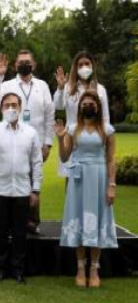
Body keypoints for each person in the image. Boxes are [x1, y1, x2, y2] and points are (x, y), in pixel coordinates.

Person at [56, 90, 117, 288]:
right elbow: (65, 157)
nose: (87, 106)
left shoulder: (107, 130)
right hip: (78, 179)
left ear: (98, 107)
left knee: (97, 218)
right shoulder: (72, 129)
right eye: (84, 104)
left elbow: (111, 159)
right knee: (79, 218)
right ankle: (80, 268)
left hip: (99, 177)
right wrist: (59, 138)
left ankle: (94, 269)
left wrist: (112, 185)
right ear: (79, 108)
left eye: (91, 103)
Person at [0, 92, 43, 284]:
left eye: (14, 105)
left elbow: (37, 162)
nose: (11, 109)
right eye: (7, 105)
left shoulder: (31, 132)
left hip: (22, 190)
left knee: (19, 233)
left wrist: (36, 189)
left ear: (20, 106)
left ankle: (18, 270)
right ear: (1, 107)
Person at [0, 51, 54, 234]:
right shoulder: (7, 84)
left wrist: (48, 143)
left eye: (27, 62)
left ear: (33, 64)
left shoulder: (42, 86)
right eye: (21, 62)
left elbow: (49, 115)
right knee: (14, 179)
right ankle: (11, 222)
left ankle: (32, 221)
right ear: (15, 65)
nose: (24, 65)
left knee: (34, 180)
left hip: (36, 142)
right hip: (10, 139)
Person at [54, 51, 110, 178]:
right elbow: (57, 106)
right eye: (80, 65)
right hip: (71, 139)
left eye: (87, 64)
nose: (84, 67)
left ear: (92, 66)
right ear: (75, 67)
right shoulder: (68, 88)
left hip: (93, 139)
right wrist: (61, 88)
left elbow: (105, 119)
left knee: (93, 178)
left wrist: (104, 142)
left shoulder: (100, 90)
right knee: (72, 180)